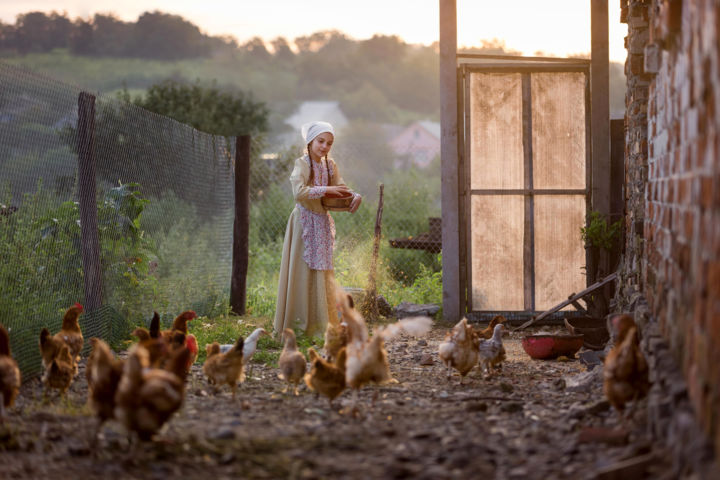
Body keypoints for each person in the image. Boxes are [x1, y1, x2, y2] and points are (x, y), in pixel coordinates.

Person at [273, 121, 362, 339]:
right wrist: (327, 189)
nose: (324, 146)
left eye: (329, 143)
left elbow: (340, 187)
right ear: (310, 141)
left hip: (321, 222)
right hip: (303, 221)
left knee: (322, 272)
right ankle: (300, 323)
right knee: (302, 271)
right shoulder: (301, 164)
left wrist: (354, 196)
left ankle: (321, 323)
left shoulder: (330, 166)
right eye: (321, 141)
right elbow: (299, 192)